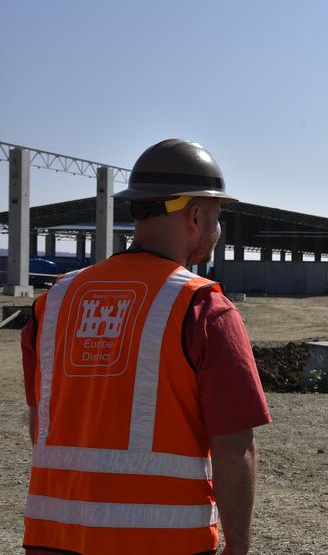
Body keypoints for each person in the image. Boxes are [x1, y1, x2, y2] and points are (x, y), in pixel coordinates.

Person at [20, 139, 271, 555]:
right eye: (215, 216)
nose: (216, 227)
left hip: (55, 537)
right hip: (162, 541)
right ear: (194, 215)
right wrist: (239, 547)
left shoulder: (54, 302)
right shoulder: (203, 308)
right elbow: (234, 448)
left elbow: (41, 422)